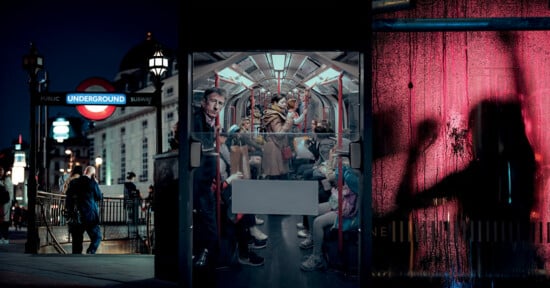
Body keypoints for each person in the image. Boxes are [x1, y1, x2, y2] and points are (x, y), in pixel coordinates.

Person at [390, 99, 537, 276]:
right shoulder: (521, 167)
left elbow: (405, 200)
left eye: (476, 129)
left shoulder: (471, 177)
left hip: (486, 272)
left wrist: (415, 150)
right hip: (518, 270)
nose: (471, 136)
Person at [192, 87, 227, 287]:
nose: (216, 106)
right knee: (208, 220)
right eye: (213, 101)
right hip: (199, 179)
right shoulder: (197, 119)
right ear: (204, 102)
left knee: (209, 217)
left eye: (220, 103)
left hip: (207, 178)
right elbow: (199, 144)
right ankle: (206, 257)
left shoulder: (210, 121)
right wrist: (214, 137)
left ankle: (208, 255)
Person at [65, 165, 103, 254]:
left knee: (77, 240)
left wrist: (69, 211)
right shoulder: (92, 183)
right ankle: (90, 251)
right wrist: (95, 183)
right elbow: (99, 197)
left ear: (85, 172)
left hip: (75, 215)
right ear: (93, 174)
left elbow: (68, 196)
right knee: (97, 237)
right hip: (89, 215)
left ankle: (76, 257)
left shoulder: (74, 182)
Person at [261, 93, 294, 179]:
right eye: (282, 102)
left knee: (275, 175)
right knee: (277, 176)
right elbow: (279, 134)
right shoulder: (275, 116)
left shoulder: (275, 113)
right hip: (275, 149)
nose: (284, 105)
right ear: (275, 103)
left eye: (285, 102)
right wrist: (289, 120)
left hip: (275, 146)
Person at [0, 167, 12, 245]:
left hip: (3, 204)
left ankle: (3, 237)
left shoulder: (5, 182)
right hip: (4, 204)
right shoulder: (5, 181)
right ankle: (4, 237)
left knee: (3, 222)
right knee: (4, 222)